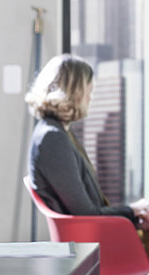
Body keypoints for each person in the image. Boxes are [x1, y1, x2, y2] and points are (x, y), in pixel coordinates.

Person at [25, 53, 149, 230]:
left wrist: (134, 214)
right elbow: (86, 214)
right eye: (88, 91)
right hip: (91, 238)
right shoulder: (53, 138)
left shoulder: (57, 133)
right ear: (72, 93)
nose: (90, 98)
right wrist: (132, 210)